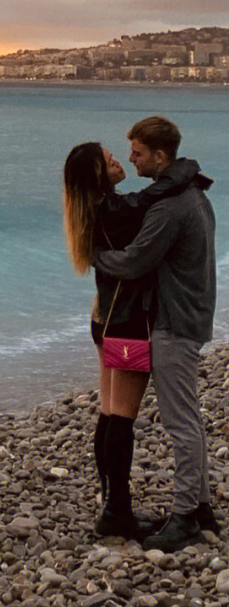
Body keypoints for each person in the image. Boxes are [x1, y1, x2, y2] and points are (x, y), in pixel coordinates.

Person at [63, 141, 203, 538]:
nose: (116, 160)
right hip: (124, 323)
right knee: (121, 418)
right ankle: (117, 513)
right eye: (106, 160)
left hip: (104, 318)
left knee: (109, 413)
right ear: (96, 176)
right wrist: (183, 169)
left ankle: (111, 502)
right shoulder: (113, 211)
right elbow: (150, 196)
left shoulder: (97, 211)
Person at [93, 115, 217, 551]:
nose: (130, 158)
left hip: (174, 322)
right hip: (192, 315)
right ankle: (200, 507)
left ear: (160, 156)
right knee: (190, 419)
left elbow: (134, 262)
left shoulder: (171, 206)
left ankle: (185, 516)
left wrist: (94, 255)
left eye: (138, 152)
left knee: (181, 422)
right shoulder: (194, 192)